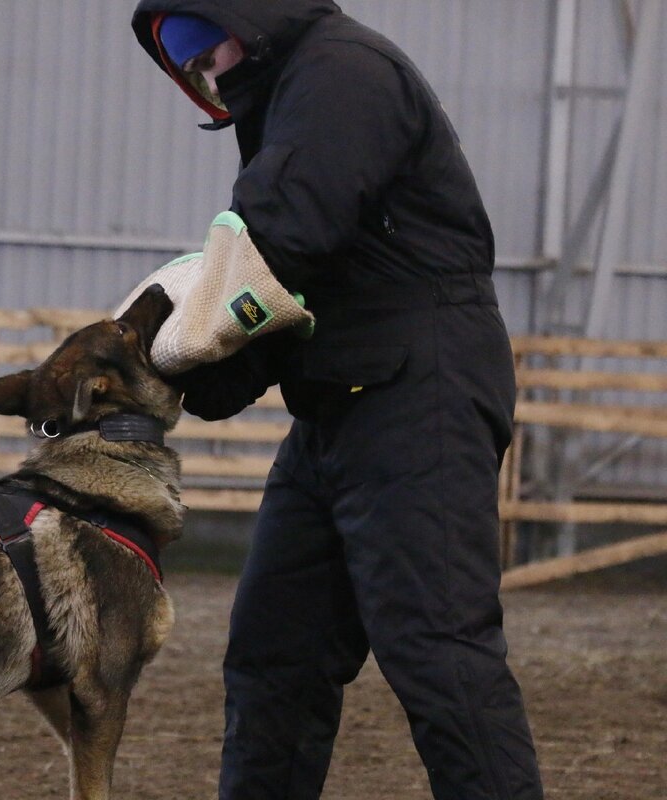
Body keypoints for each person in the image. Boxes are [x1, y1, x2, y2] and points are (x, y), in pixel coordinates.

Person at [130, 2, 545, 799]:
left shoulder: (343, 74)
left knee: (438, 652)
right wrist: (202, 379)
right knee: (274, 657)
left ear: (247, 16)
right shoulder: (290, 99)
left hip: (420, 390)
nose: (198, 71)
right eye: (181, 63)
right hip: (336, 404)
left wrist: (161, 353)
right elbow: (288, 289)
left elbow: (284, 239)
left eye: (198, 46)